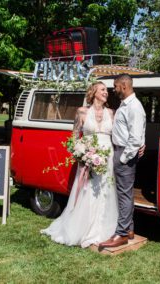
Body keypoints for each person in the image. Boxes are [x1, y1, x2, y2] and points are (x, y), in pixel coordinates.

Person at [40, 82, 118, 248]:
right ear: (94, 92)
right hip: (88, 157)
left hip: (107, 156)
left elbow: (118, 137)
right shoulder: (82, 112)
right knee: (87, 190)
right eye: (103, 89)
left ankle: (103, 229)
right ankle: (82, 228)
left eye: (107, 90)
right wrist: (82, 154)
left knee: (105, 191)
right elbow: (75, 137)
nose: (106, 93)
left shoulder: (111, 113)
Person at [100, 74, 146, 248]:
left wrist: (124, 158)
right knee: (124, 193)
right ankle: (129, 229)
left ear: (124, 85)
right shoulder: (126, 105)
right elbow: (137, 131)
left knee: (124, 195)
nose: (114, 89)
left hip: (124, 155)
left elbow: (134, 138)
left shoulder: (134, 106)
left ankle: (121, 234)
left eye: (116, 86)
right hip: (121, 151)